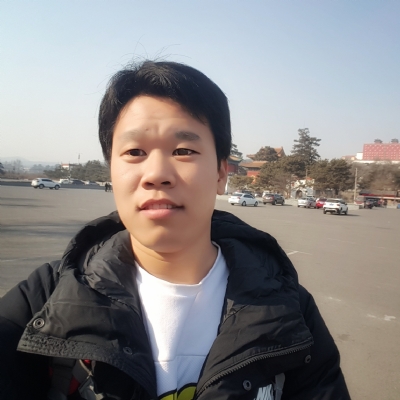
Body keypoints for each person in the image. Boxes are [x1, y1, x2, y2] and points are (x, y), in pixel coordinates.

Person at [0, 61, 350, 400]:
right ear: (112, 172)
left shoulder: (288, 312)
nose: (156, 174)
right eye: (134, 151)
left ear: (221, 173)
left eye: (183, 150)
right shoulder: (44, 302)